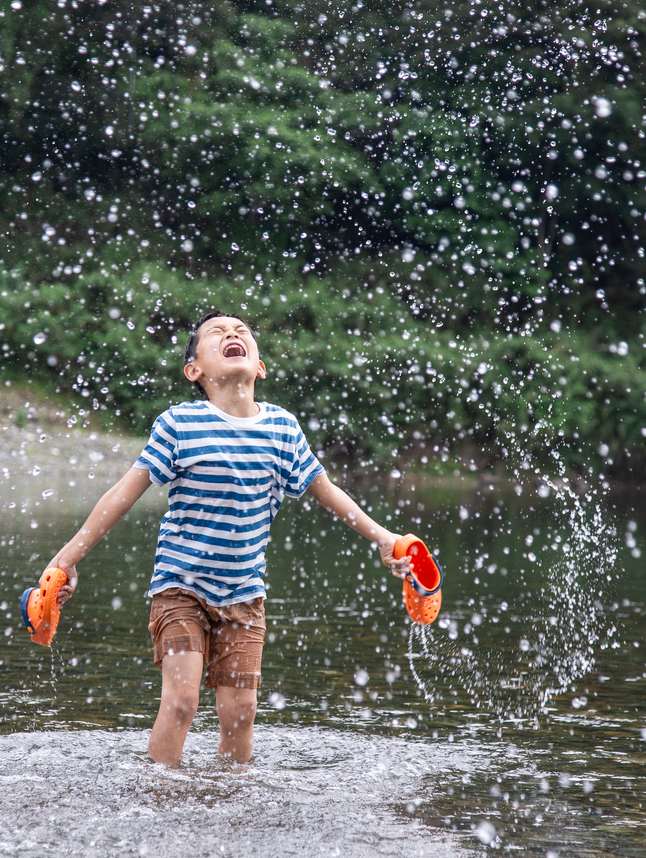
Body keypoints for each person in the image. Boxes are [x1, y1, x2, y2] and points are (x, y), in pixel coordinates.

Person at [43, 311, 410, 765]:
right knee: (182, 703)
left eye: (242, 331)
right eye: (217, 333)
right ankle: (158, 795)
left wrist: (382, 537)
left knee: (241, 711)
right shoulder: (180, 424)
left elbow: (327, 492)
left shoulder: (282, 429)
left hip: (244, 595)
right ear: (194, 370)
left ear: (259, 367)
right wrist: (67, 559)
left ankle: (231, 802)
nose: (232, 334)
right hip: (180, 588)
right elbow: (122, 495)